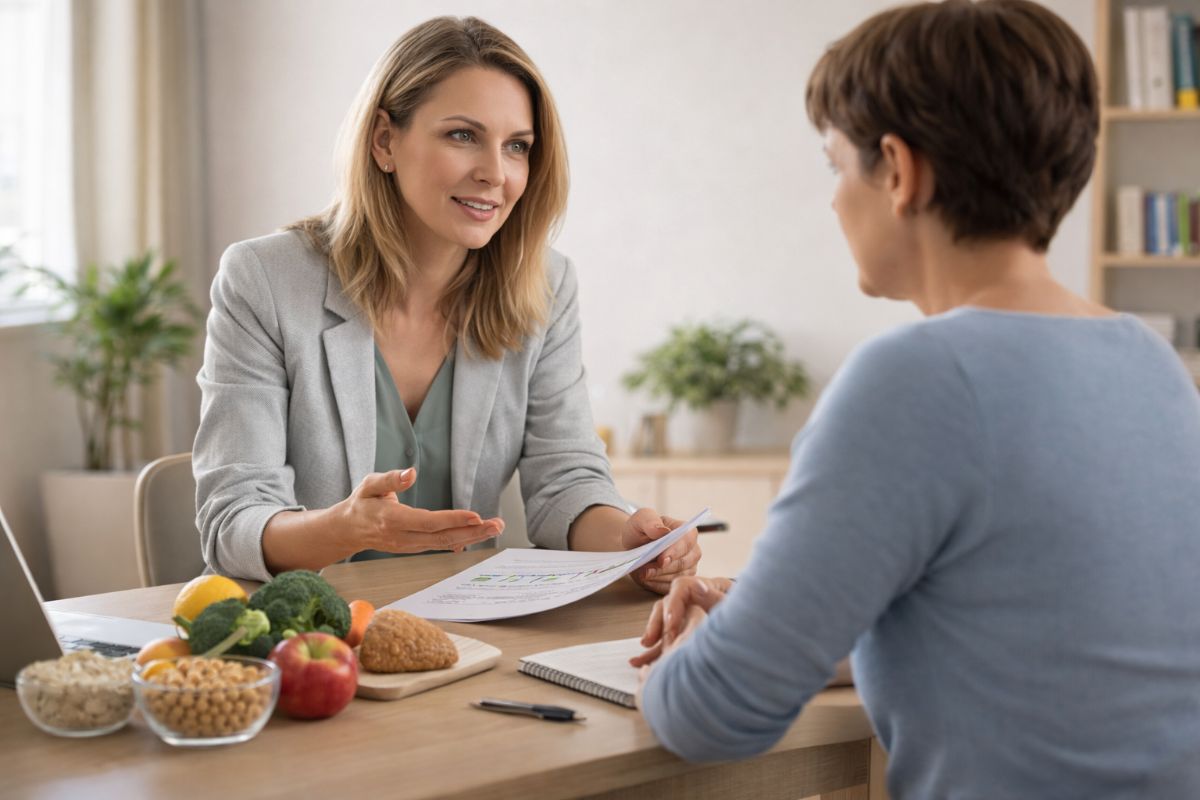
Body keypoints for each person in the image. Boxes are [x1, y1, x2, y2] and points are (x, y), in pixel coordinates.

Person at [633, 1, 1200, 796]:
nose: (834, 200)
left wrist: (710, 649)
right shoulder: (1152, 363)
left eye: (836, 165)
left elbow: (714, 714)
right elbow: (1037, 648)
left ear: (898, 170)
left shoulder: (916, 376)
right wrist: (791, 613)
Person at [193, 16, 699, 592]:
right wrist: (347, 527)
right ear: (385, 140)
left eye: (517, 147)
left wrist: (631, 541)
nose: (495, 173)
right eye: (463, 135)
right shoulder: (265, 279)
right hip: (307, 634)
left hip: (473, 634)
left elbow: (566, 482)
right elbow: (232, 519)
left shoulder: (547, 285)